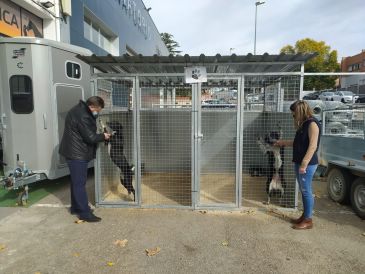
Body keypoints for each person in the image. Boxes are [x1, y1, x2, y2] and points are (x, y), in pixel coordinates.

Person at [59, 96, 111, 222]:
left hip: (73, 152)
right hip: (77, 154)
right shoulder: (83, 116)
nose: (98, 112)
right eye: (98, 110)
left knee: (76, 182)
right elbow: (91, 137)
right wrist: (103, 136)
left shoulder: (79, 110)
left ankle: (76, 208)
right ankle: (84, 213)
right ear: (93, 106)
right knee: (79, 184)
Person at [275, 100, 320, 230]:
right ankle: (304, 216)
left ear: (300, 112)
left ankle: (308, 220)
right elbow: (298, 143)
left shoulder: (312, 124)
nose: (293, 116)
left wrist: (304, 164)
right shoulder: (304, 124)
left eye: (294, 114)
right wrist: (282, 142)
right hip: (299, 162)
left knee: (306, 191)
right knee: (303, 190)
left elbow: (312, 146)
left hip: (307, 164)